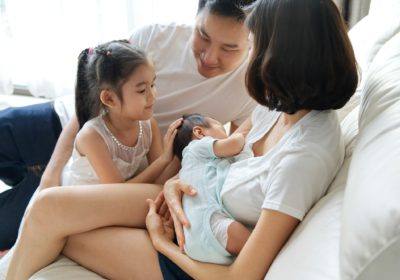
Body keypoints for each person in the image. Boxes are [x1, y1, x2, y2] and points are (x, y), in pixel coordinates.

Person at [4, 0, 358, 278]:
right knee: (48, 206)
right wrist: (175, 184)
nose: (248, 57)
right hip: (187, 199)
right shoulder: (278, 106)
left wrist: (162, 242)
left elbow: (242, 275)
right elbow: (225, 154)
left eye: (252, 46)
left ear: (281, 59)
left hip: (199, 247)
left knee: (52, 224)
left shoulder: (306, 154)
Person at [0, 0, 257, 250]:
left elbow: (228, 160)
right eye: (203, 35)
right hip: (71, 125)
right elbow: (93, 94)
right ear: (197, 17)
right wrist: (50, 177)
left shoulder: (249, 90)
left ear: (252, 42)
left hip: (112, 171)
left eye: (229, 48)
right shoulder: (155, 37)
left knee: (12, 224)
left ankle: (27, 182)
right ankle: (31, 174)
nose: (210, 56)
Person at [61, 40, 180, 186]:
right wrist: (163, 160)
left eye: (152, 85)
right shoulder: (91, 137)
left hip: (117, 198)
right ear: (109, 98)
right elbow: (117, 191)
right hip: (80, 200)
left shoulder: (149, 126)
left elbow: (159, 180)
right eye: (142, 90)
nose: (153, 95)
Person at [173, 113, 251, 264]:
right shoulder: (195, 147)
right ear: (199, 132)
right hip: (209, 224)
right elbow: (233, 144)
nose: (225, 133)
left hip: (192, 242)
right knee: (256, 247)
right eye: (221, 127)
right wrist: (241, 136)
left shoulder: (188, 169)